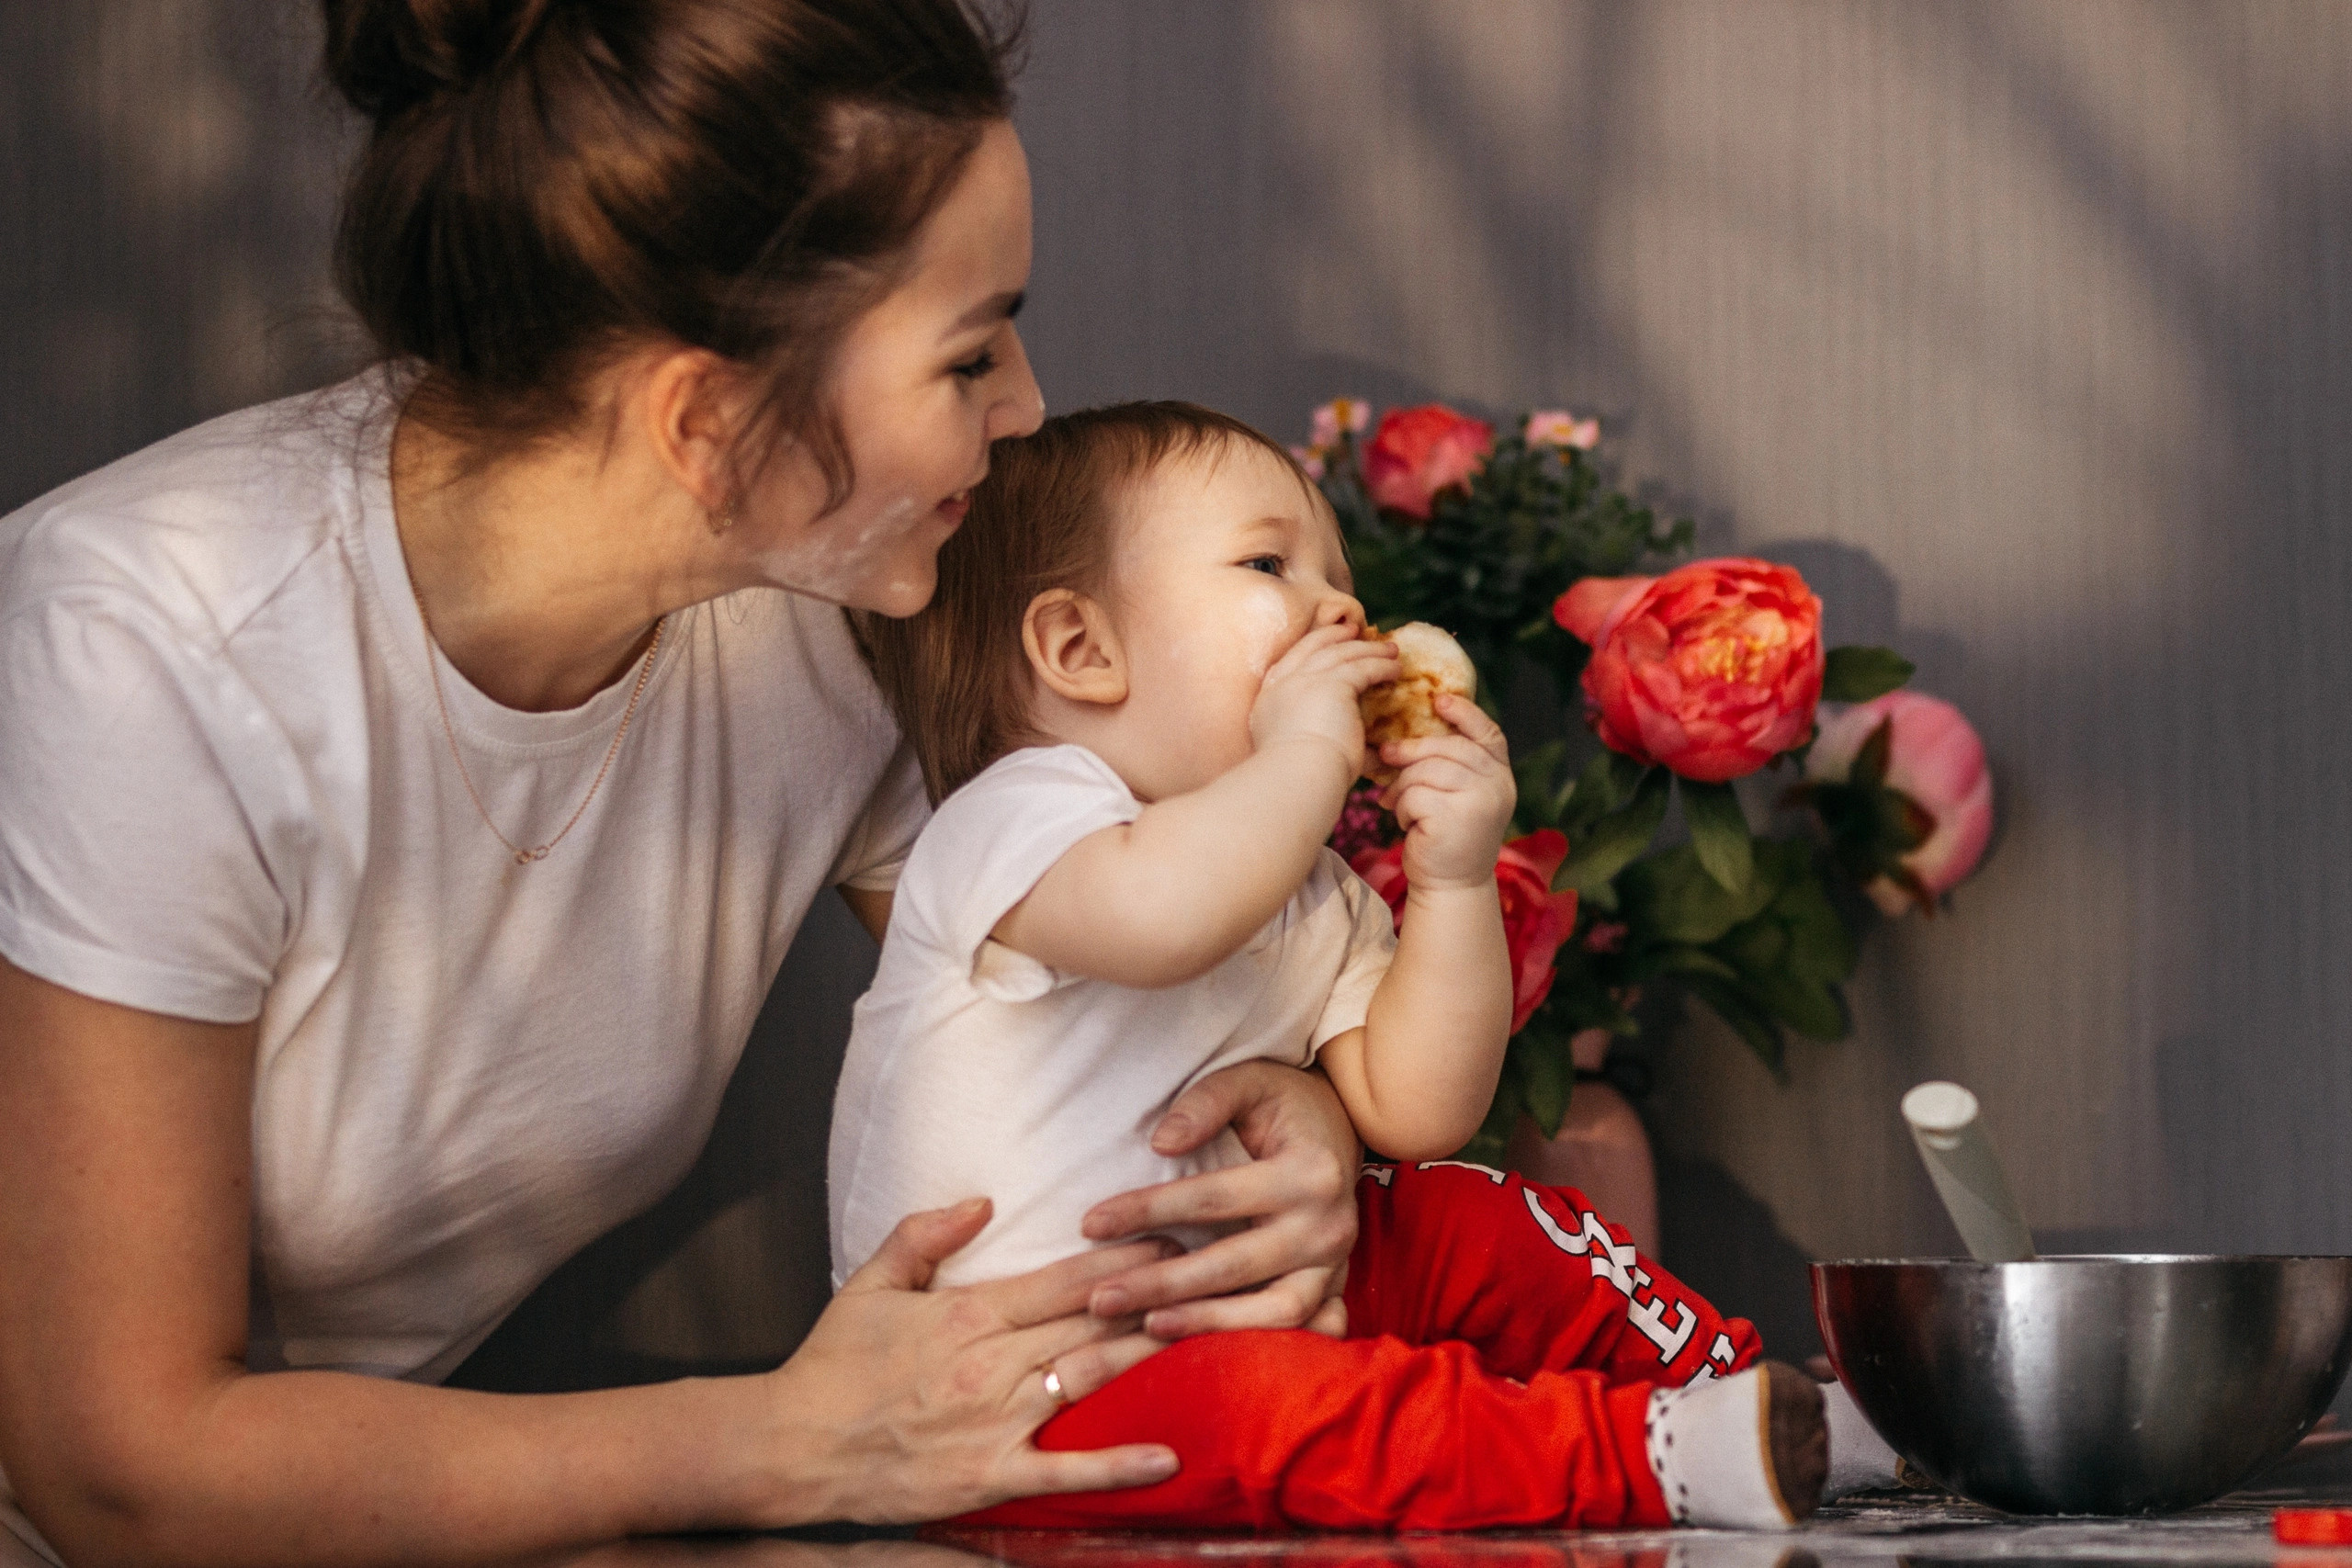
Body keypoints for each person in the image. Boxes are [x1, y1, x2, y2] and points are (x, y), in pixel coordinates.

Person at [0, 6, 1370, 1564]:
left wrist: (1294, 1115)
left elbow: (1055, 970)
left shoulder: (833, 621)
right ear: (708, 424)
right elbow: (114, 1469)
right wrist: (782, 1440)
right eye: (969, 351)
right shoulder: (147, 645)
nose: (1027, 410)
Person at [839, 402, 1849, 1530]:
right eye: (1269, 563)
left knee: (1472, 1219)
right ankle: (1631, 1454)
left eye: (1342, 574)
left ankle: (1751, 1394)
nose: (1344, 608)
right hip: (1029, 1409)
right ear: (1082, 650)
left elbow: (1418, 1107)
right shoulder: (1017, 821)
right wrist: (1312, 749)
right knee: (1295, 1409)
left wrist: (1459, 879)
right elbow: (1166, 914)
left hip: (1257, 1306)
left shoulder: (1308, 886)